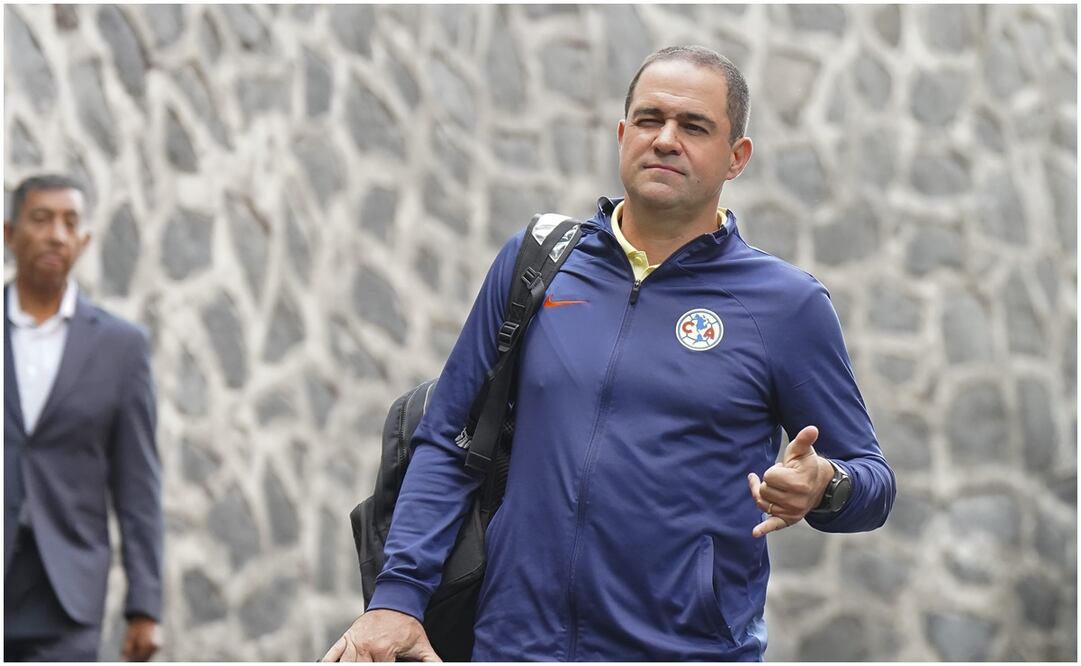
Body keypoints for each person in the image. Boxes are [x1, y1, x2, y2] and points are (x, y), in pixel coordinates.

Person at [323, 45, 896, 662]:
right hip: (513, 648)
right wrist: (396, 598)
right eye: (649, 120)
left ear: (737, 158)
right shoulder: (538, 263)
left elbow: (874, 482)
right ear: (623, 134)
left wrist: (824, 486)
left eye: (693, 127)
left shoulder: (786, 304)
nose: (666, 140)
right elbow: (446, 443)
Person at [4, 174, 163, 661]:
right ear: (9, 233)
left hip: (66, 591)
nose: (56, 233)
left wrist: (145, 606)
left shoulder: (121, 347)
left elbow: (138, 484)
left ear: (85, 241)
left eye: (70, 222)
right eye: (41, 218)